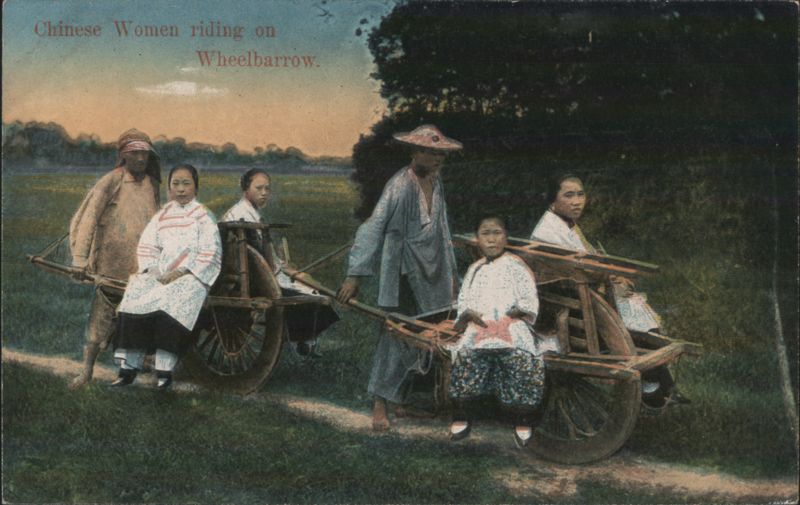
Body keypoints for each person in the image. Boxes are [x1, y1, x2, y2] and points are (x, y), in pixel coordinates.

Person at [336, 124, 462, 431]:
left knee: (428, 332)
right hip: (404, 270)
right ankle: (380, 404)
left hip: (434, 272)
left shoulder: (436, 181)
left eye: (440, 154)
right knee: (397, 331)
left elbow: (442, 230)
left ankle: (400, 401)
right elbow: (373, 226)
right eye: (432, 153)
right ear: (415, 152)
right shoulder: (400, 184)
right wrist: (355, 275)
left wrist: (453, 274)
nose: (437, 159)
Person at [530, 173, 689, 407]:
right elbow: (577, 269)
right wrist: (609, 277)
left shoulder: (564, 224)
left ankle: (660, 384)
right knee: (634, 307)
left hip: (582, 293)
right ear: (553, 201)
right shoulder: (549, 230)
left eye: (580, 194)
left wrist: (610, 276)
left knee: (634, 304)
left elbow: (587, 261)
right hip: (575, 302)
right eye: (569, 195)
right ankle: (654, 387)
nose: (577, 201)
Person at [111, 164, 222, 389]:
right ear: (169, 187)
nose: (180, 189)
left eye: (186, 183)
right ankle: (128, 368)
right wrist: (154, 270)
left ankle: (164, 371)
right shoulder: (162, 216)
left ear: (196, 187)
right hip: (160, 274)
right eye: (176, 184)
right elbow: (148, 246)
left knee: (175, 298)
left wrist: (180, 272)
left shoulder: (203, 216)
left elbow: (210, 252)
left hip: (189, 276)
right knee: (137, 289)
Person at [448, 216, 553, 447]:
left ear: (505, 237)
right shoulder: (475, 269)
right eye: (486, 234)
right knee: (467, 355)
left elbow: (528, 300)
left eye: (497, 233)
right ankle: (463, 416)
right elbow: (464, 301)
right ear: (477, 239)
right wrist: (469, 315)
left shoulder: (516, 265)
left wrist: (512, 315)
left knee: (521, 358)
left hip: (512, 322)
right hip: (480, 324)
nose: (492, 239)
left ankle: (522, 419)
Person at [67, 128, 161, 389]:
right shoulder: (111, 181)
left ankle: (144, 368)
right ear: (123, 155)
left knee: (144, 317)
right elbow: (88, 220)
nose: (141, 159)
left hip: (142, 268)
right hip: (112, 266)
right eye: (135, 153)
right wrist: (79, 259)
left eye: (144, 153)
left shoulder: (152, 185)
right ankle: (86, 372)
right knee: (101, 319)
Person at [222, 168, 339, 357]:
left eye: (267, 189)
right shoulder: (240, 214)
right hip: (250, 277)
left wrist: (282, 267)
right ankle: (303, 340)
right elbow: (252, 256)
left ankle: (305, 340)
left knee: (309, 286)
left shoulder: (251, 213)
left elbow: (261, 253)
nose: (264, 193)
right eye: (258, 188)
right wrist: (279, 269)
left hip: (257, 272)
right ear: (246, 189)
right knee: (310, 295)